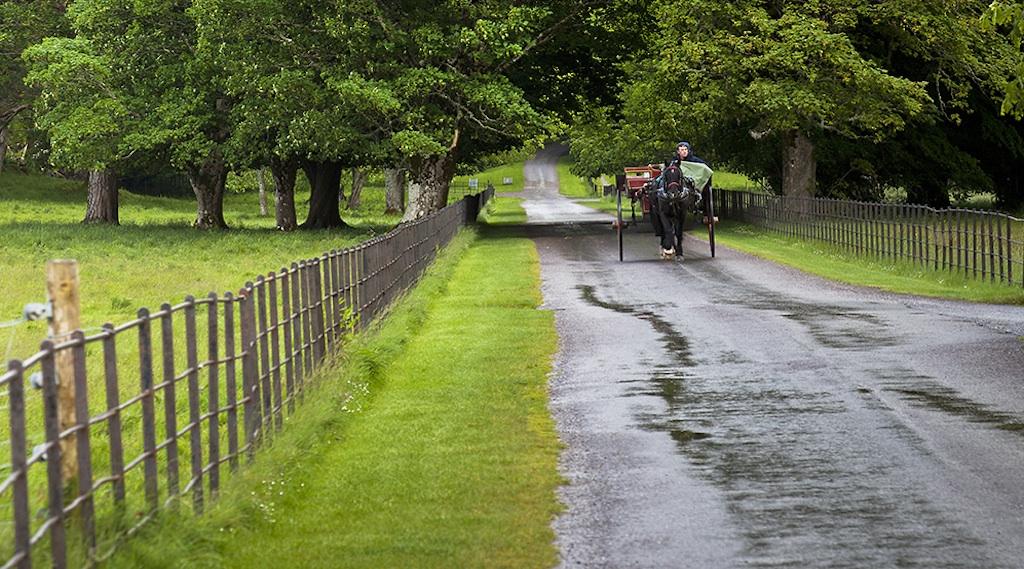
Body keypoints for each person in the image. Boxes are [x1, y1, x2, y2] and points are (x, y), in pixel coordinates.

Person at [651, 141, 710, 258]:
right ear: (678, 151)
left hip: (686, 183)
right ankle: (655, 202)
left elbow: (703, 169)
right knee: (657, 182)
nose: (683, 151)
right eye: (681, 149)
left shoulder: (695, 161)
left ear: (688, 150)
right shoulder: (674, 161)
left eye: (685, 149)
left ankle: (701, 205)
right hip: (673, 185)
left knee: (704, 188)